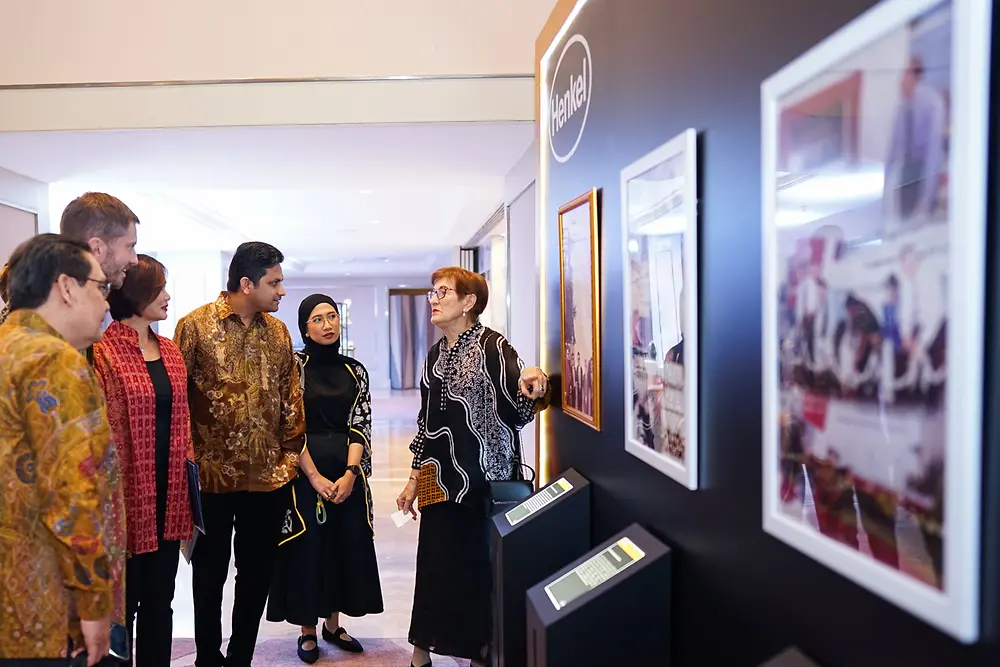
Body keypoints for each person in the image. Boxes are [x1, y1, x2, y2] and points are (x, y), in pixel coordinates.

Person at [396, 267, 550, 667]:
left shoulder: (494, 347)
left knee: (477, 573)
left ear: (469, 302)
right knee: (434, 568)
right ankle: (420, 654)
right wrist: (413, 479)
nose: (434, 298)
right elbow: (426, 423)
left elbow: (519, 411)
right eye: (432, 292)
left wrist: (536, 381)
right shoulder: (434, 355)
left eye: (443, 292)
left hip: (484, 481)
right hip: (437, 480)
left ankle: (480, 655)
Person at [174, 241, 305, 667]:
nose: (282, 291)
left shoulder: (279, 332)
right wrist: (188, 466)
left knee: (257, 575)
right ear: (246, 284)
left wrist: (287, 461)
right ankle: (208, 657)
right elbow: (179, 401)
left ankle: (240, 658)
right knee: (208, 575)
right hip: (211, 479)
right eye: (275, 282)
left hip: (267, 479)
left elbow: (292, 398)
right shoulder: (193, 327)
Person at [0, 234, 118, 666]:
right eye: (100, 287)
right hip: (39, 607)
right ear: (67, 287)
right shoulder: (54, 360)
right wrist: (94, 604)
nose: (107, 303)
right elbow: (73, 496)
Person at [268, 295, 384, 664]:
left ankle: (333, 624)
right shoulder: (293, 367)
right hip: (304, 472)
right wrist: (316, 477)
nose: (327, 324)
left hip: (347, 472)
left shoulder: (355, 370)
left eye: (332, 316)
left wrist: (351, 474)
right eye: (317, 319)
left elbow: (360, 424)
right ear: (305, 327)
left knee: (342, 544)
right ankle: (307, 630)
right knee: (307, 548)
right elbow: (288, 427)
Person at [92, 255, 194, 667]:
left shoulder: (170, 351)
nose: (167, 297)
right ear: (133, 294)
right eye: (158, 289)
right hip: (125, 504)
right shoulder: (102, 354)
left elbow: (183, 422)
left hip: (169, 501)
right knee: (123, 609)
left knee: (160, 603)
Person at [884, 56, 946, 222]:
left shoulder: (932, 103)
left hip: (925, 172)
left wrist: (926, 200)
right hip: (906, 174)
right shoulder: (901, 107)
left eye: (904, 74)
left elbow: (933, 152)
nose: (900, 80)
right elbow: (893, 147)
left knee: (921, 225)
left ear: (913, 75)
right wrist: (885, 182)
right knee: (904, 223)